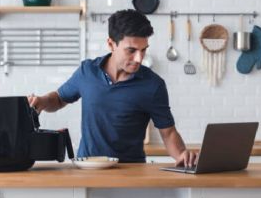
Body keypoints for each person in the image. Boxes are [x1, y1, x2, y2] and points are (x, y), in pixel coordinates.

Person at [28, 9, 197, 167]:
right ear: (111, 44)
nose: (139, 58)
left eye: (143, 50)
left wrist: (182, 154)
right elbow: (58, 98)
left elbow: (168, 133)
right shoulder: (87, 72)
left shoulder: (153, 85)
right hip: (87, 167)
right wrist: (42, 101)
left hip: (131, 171)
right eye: (131, 50)